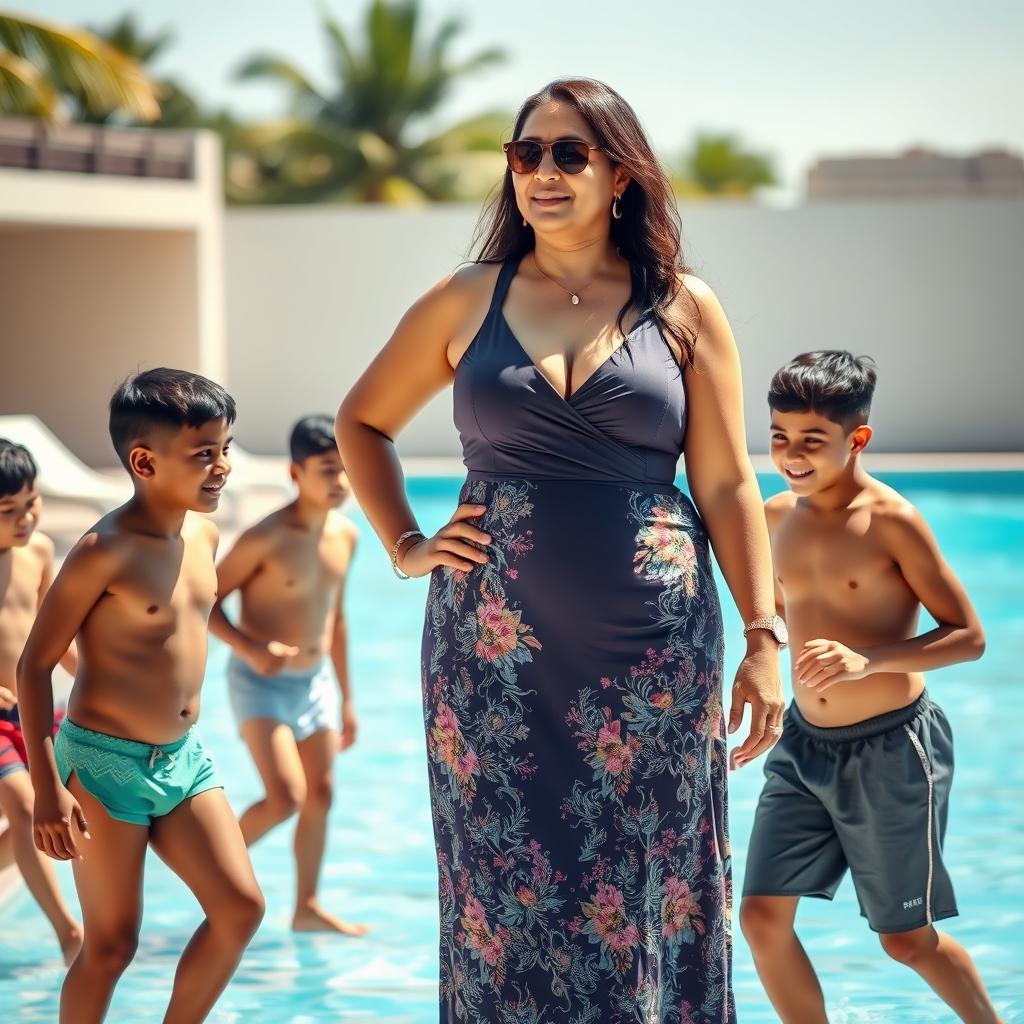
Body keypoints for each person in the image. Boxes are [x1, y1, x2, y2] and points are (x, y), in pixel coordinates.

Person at [336, 78, 784, 1022]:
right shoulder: (469, 297)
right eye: (525, 152)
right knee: (502, 882)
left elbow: (729, 484)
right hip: (491, 659)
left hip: (653, 662)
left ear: (620, 173)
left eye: (569, 153)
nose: (542, 171)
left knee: (651, 880)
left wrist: (765, 636)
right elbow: (362, 423)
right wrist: (407, 543)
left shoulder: (685, 307)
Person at [740, 351, 1003, 1024]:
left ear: (857, 439)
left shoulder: (891, 520)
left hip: (891, 750)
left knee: (904, 941)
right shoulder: (772, 517)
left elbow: (968, 636)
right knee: (762, 920)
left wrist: (869, 661)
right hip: (803, 748)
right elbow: (771, 613)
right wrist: (765, 669)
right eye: (779, 437)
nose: (791, 455)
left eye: (811, 441)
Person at [18, 369, 265, 1024]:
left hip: (182, 761)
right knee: (111, 944)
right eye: (204, 453)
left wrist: (252, 647)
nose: (223, 467)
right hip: (101, 765)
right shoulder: (105, 550)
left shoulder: (205, 536)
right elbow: (34, 665)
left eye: (225, 448)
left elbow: (189, 616)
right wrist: (48, 787)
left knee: (240, 907)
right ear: (145, 461)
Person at [209, 414, 366, 936]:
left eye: (345, 469)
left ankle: (306, 907)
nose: (341, 481)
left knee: (321, 794)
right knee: (285, 797)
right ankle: (208, 870)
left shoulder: (346, 535)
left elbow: (337, 619)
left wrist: (346, 699)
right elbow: (203, 600)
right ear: (296, 473)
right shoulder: (266, 537)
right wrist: (250, 648)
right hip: (261, 683)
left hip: (314, 682)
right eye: (328, 470)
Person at [0, 438, 82, 965]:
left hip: (33, 712)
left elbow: (56, 636)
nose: (26, 518)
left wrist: (96, 677)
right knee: (31, 808)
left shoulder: (40, 551)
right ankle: (70, 933)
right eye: (9, 510)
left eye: (33, 502)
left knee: (68, 809)